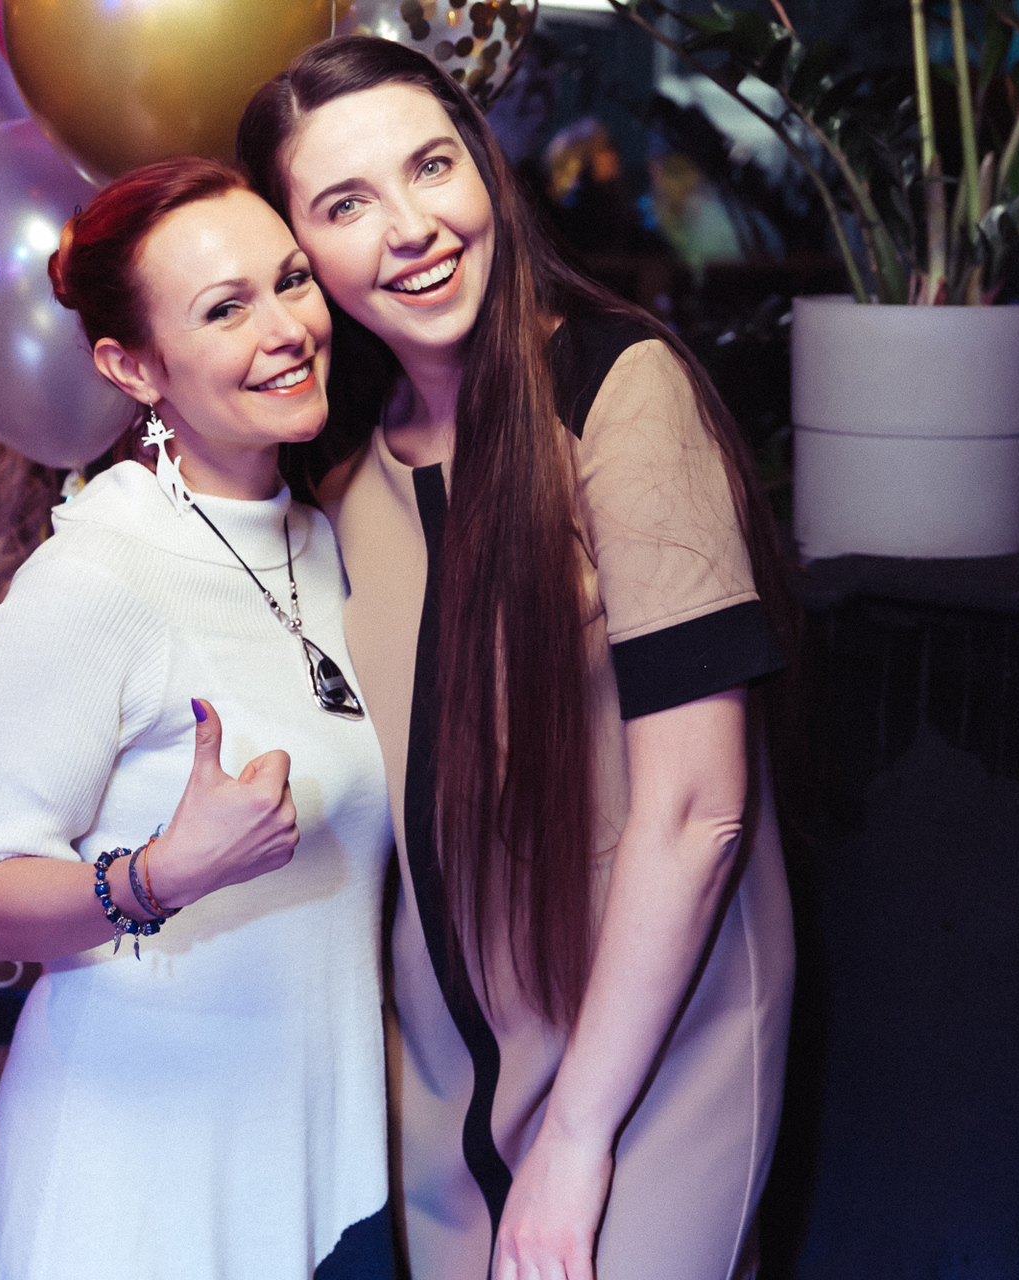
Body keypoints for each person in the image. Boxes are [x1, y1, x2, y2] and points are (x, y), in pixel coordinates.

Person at [238, 37, 799, 1280]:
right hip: (441, 1078)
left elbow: (699, 810)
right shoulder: (339, 474)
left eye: (432, 166)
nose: (413, 227)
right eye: (345, 204)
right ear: (297, 255)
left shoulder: (616, 389)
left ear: (485, 168)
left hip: (652, 1048)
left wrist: (578, 1140)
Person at [0, 157, 396, 1280]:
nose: (286, 329)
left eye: (291, 280)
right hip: (136, 1191)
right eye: (225, 309)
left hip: (319, 1170)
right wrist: (158, 874)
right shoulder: (95, 577)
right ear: (132, 366)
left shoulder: (328, 538)